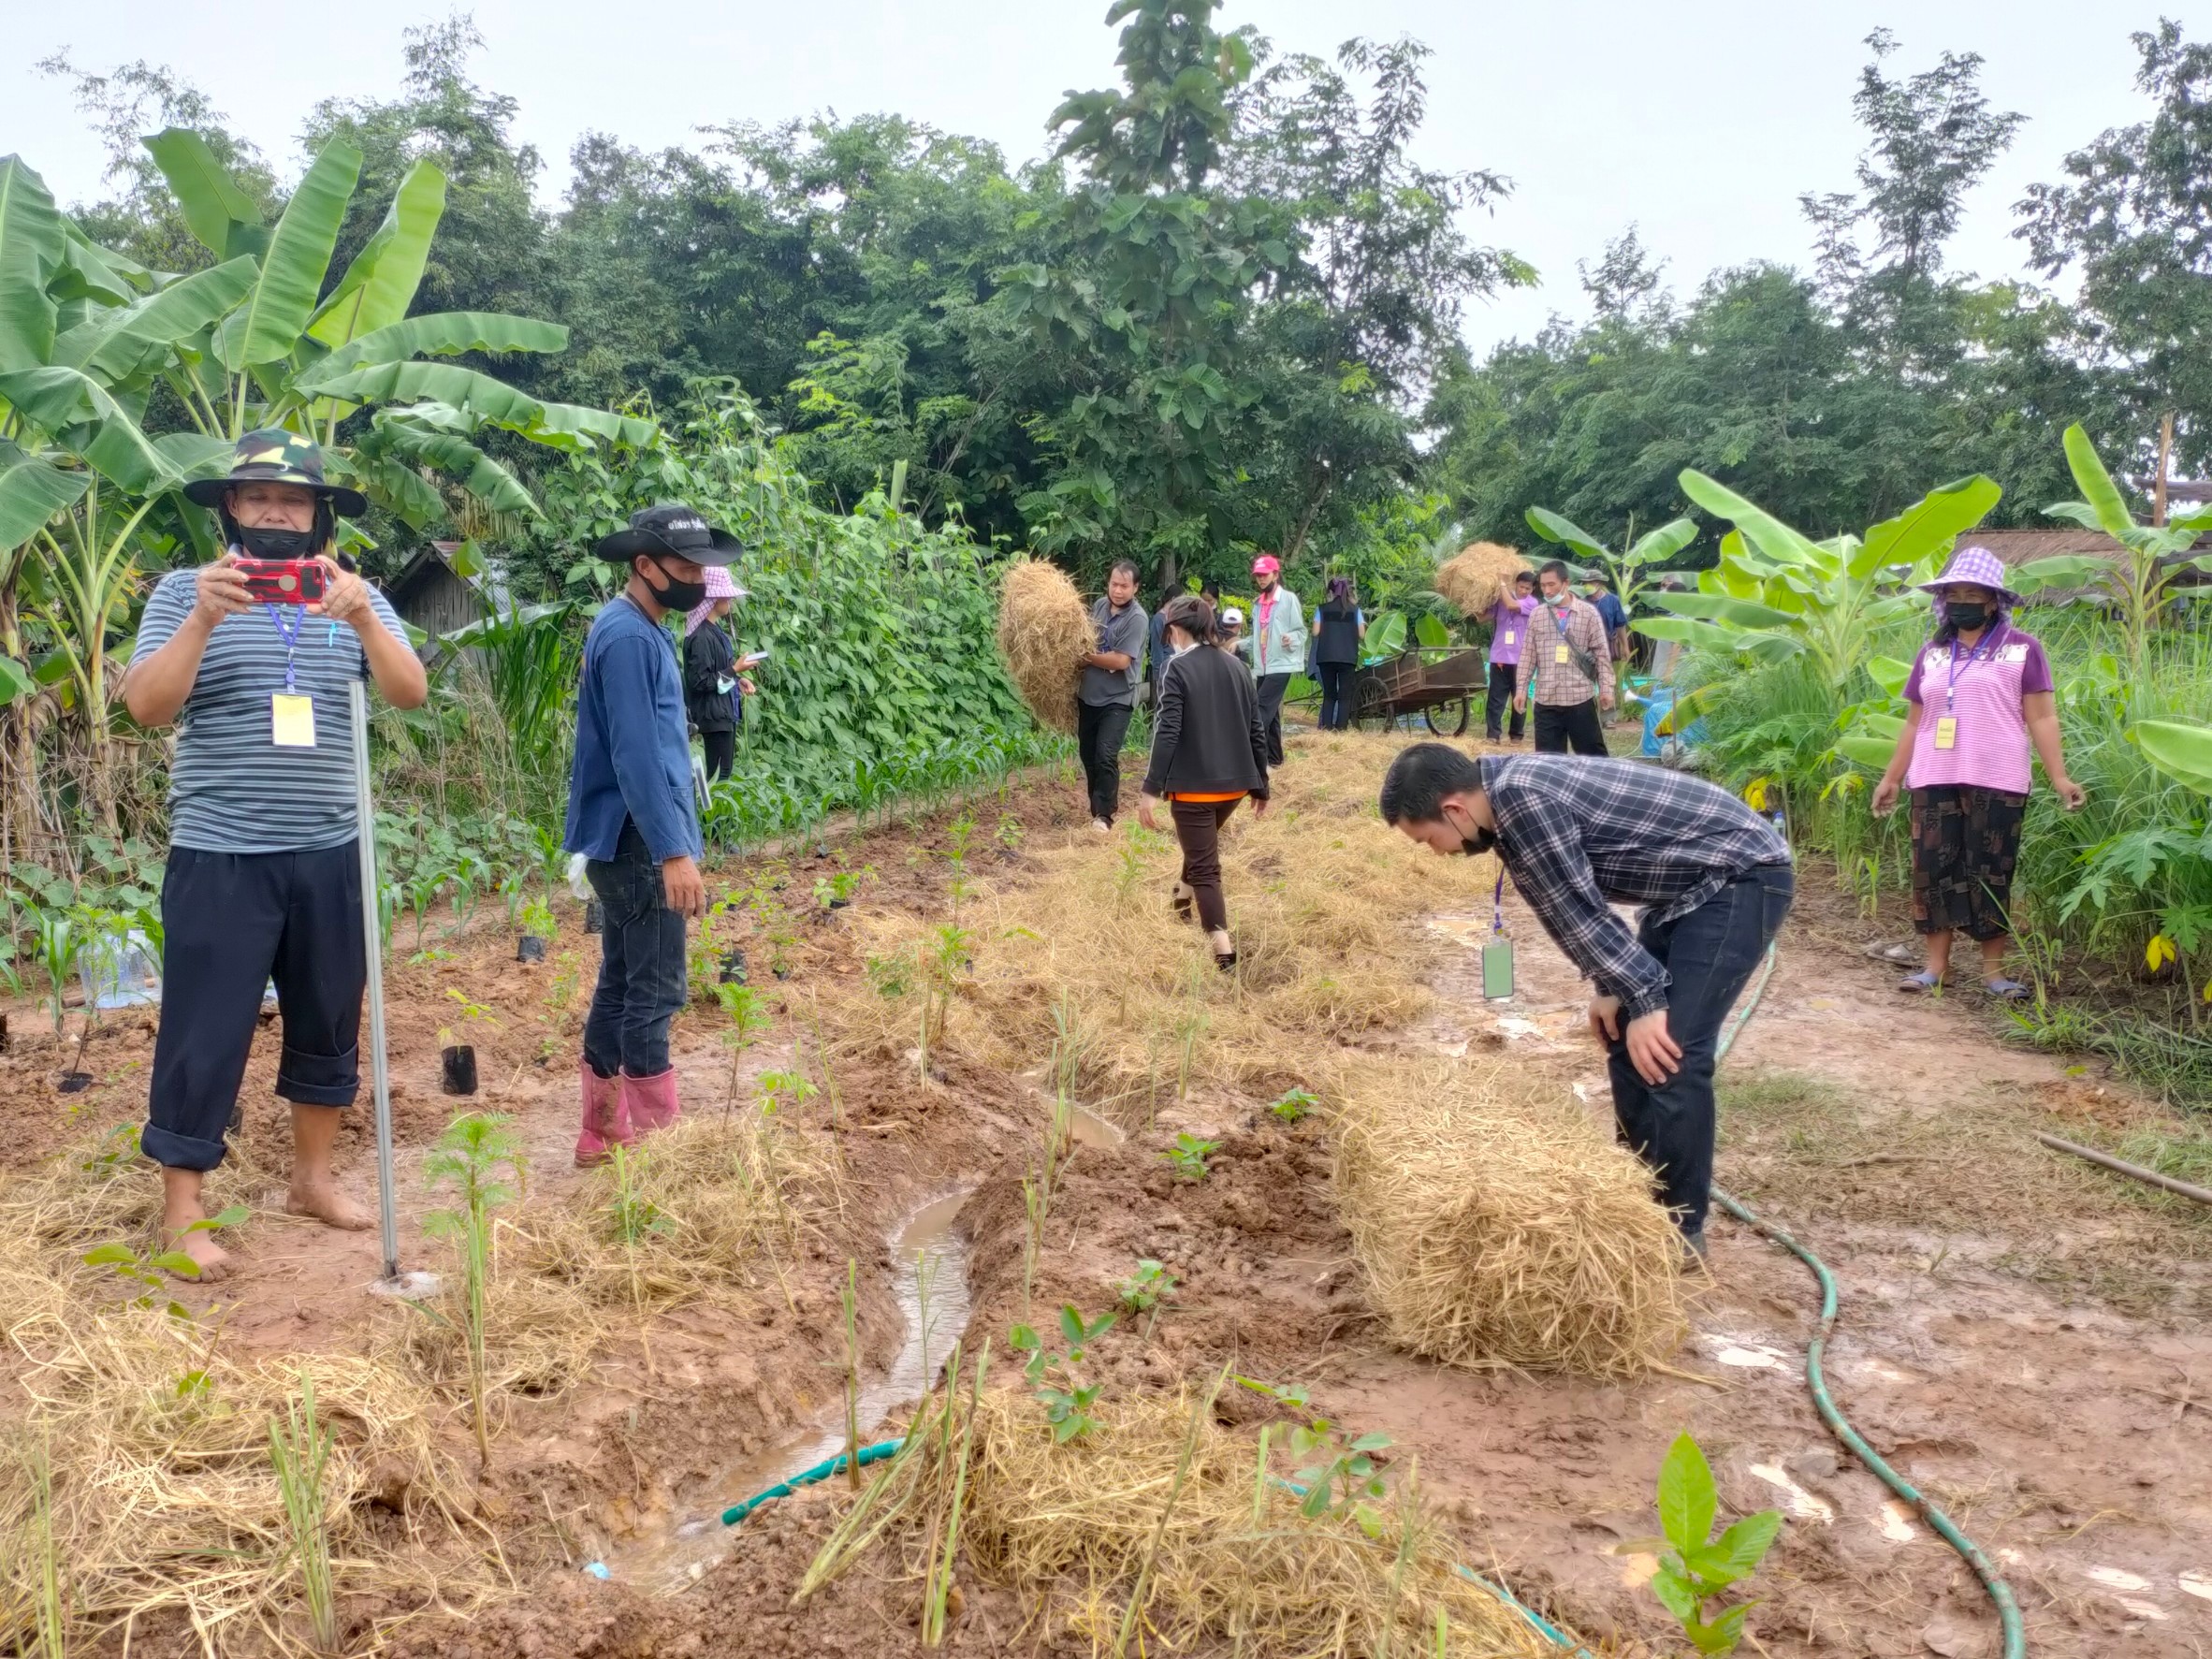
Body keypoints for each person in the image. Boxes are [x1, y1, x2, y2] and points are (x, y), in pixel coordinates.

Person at [124, 429, 429, 1279]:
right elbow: (145, 708)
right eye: (258, 497)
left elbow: (410, 692)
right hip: (222, 852)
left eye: (293, 500)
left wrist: (367, 615)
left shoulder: (349, 597)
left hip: (331, 849)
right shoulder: (185, 591)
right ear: (231, 506)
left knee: (329, 1018)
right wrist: (201, 618)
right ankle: (183, 1211)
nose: (274, 512)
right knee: (204, 1028)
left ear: (318, 514)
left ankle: (312, 1179)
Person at [1379, 743, 1794, 1260]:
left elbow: (1578, 912)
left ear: (1454, 810)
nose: (1437, 852)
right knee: (1624, 1034)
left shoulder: (1523, 801)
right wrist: (1612, 990)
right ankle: (1635, 1195)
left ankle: (1678, 1231)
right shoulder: (1504, 802)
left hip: (1740, 876)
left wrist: (1643, 997)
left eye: (1428, 840)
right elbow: (1573, 904)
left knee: (1672, 1052)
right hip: (1686, 889)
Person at [564, 504, 736, 1165]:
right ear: (644, 565)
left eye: (701, 567)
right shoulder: (633, 638)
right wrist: (674, 851)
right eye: (683, 566)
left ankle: (601, 1132)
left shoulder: (635, 626)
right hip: (640, 841)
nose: (695, 578)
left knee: (621, 979)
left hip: (626, 837)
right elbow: (637, 756)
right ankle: (658, 1154)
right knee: (656, 990)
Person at [1871, 546, 2085, 1000]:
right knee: (1933, 870)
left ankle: (1993, 974)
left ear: (1993, 600)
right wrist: (1891, 778)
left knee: (1990, 871)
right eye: (1953, 593)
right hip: (1933, 774)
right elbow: (1915, 721)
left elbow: (2042, 717)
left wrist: (2060, 777)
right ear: (1943, 600)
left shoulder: (2022, 649)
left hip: (1998, 776)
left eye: (1972, 592)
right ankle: (1936, 969)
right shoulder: (1931, 653)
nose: (1961, 600)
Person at [1138, 595, 1271, 970]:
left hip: (1193, 788)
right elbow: (1255, 728)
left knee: (1205, 866)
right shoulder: (1237, 666)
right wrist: (1261, 784)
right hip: (1235, 786)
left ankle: (1224, 954)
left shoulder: (1175, 668)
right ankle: (1180, 902)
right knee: (1200, 850)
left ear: (1176, 629)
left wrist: (1150, 789)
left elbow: (1167, 731)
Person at [1514, 560, 1614, 755]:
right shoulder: (1537, 615)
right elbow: (1528, 654)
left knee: (1593, 759)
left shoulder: (1588, 613)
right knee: (1548, 764)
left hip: (1579, 698)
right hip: (1546, 700)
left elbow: (1601, 654)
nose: (1547, 591)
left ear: (1565, 583)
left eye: (1552, 585)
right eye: (1543, 586)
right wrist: (1521, 689)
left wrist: (1606, 689)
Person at [1078, 560, 1148, 831]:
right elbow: (1085, 639)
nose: (1118, 590)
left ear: (1135, 588)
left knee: (1106, 754)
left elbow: (1120, 661)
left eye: (1124, 586)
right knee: (1088, 753)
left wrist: (1086, 658)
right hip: (1088, 695)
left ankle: (1104, 816)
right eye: (1114, 584)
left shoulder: (1137, 619)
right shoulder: (1098, 607)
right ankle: (1097, 807)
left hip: (1118, 698)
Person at [682, 565, 757, 783]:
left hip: (723, 712)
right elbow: (700, 681)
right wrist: (734, 670)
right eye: (727, 596)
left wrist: (737, 678)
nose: (731, 601)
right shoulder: (702, 636)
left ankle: (716, 815)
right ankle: (712, 816)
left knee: (723, 772)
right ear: (714, 599)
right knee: (718, 776)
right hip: (712, 716)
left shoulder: (713, 631)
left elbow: (715, 673)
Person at [1246, 554, 1307, 765]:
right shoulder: (1257, 604)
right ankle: (1274, 759)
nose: (1261, 579)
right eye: (1258, 576)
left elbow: (1301, 632)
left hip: (1282, 663)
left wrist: (1291, 638)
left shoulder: (1288, 599)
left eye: (1265, 575)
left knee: (1260, 710)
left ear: (1275, 575)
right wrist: (1237, 643)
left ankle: (1250, 761)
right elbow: (1256, 637)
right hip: (1263, 666)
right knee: (1271, 717)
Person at [1485, 569, 1538, 743]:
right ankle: (1493, 735)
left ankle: (1516, 735)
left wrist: (1501, 583)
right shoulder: (1501, 598)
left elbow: (1511, 605)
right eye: (1522, 587)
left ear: (1532, 590)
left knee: (1519, 697)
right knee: (1495, 698)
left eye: (1528, 588)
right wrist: (1472, 604)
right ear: (1516, 584)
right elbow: (1483, 617)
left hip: (1521, 658)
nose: (1524, 591)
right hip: (1499, 656)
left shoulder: (1533, 603)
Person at [1311, 576, 1365, 730]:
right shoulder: (1355, 610)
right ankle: (1341, 729)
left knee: (1329, 694)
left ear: (1331, 592)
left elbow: (1315, 632)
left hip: (1326, 657)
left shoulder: (1322, 608)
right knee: (1344, 696)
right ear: (1348, 592)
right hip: (1348, 657)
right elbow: (1362, 634)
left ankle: (1327, 728)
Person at [1586, 573, 1633, 702]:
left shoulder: (1612, 600)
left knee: (1605, 679)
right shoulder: (1582, 601)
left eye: (1592, 582)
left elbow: (1620, 624)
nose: (1589, 585)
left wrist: (1625, 647)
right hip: (1585, 648)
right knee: (1587, 680)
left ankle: (1607, 715)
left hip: (1606, 646)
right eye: (1586, 583)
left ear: (1600, 584)